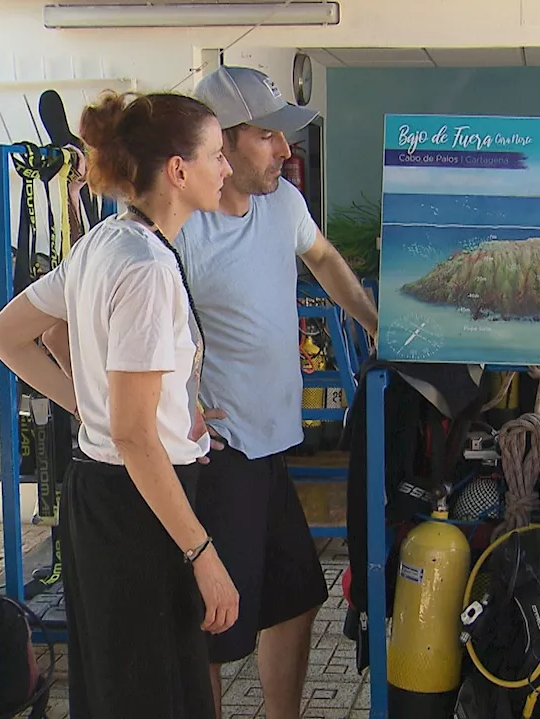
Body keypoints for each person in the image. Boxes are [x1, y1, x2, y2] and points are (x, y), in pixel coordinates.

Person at [0, 90, 240, 719]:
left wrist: (113, 409)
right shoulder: (147, 267)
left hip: (101, 497)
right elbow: (130, 432)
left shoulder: (106, 241)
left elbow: (20, 334)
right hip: (139, 511)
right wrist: (204, 556)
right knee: (150, 696)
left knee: (116, 690)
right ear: (178, 170)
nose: (226, 168)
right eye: (217, 155)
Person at [182, 65, 379, 719]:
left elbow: (321, 258)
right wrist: (171, 402)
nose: (286, 152)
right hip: (218, 455)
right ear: (227, 142)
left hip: (271, 448)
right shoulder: (180, 228)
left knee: (297, 596)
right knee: (211, 625)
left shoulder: (283, 206)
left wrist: (377, 323)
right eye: (271, 137)